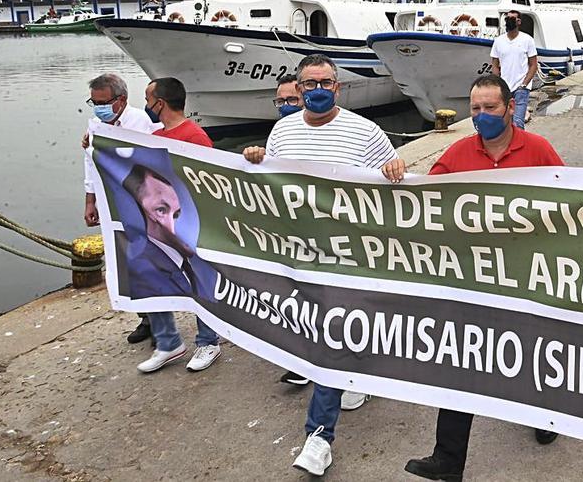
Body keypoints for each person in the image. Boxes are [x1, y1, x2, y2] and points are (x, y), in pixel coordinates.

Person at [242, 56, 407, 477]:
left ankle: (319, 436)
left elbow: (392, 184)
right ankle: (357, 377)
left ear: (338, 87)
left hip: (347, 255)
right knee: (317, 333)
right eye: (309, 82)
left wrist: (396, 169)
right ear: (297, 90)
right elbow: (270, 184)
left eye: (327, 82)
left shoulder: (364, 132)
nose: (318, 88)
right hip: (298, 255)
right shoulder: (283, 130)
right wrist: (256, 158)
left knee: (331, 334)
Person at [405, 74, 564, 482]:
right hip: (474, 280)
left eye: (490, 108)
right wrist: (395, 175)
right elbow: (416, 199)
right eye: (475, 109)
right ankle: (448, 460)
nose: (481, 116)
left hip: (528, 279)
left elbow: (576, 200)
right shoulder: (458, 153)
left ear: (510, 108)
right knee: (463, 362)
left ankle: (544, 414)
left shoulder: (539, 150)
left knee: (531, 354)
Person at [130, 77, 224, 374]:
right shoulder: (155, 135)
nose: (146, 105)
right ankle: (167, 341)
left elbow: (209, 180)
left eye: (149, 99)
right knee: (152, 278)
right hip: (159, 224)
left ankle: (208, 340)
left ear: (161, 102)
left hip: (188, 222)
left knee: (198, 280)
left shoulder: (193, 136)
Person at [82, 72, 160, 345]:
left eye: (103, 102)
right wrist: (90, 200)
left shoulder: (141, 121)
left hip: (140, 202)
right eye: (94, 102)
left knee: (148, 260)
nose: (98, 107)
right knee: (125, 260)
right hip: (112, 200)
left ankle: (159, 320)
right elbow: (90, 164)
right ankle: (144, 317)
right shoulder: (95, 124)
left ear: (121, 99)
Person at [490, 10, 538, 128]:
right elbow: (495, 65)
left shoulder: (527, 40)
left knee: (517, 123)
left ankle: (521, 145)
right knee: (505, 122)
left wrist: (524, 84)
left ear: (519, 21)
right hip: (504, 88)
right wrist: (497, 83)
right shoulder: (498, 41)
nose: (509, 21)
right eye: (507, 19)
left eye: (512, 19)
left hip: (521, 89)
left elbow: (533, 65)